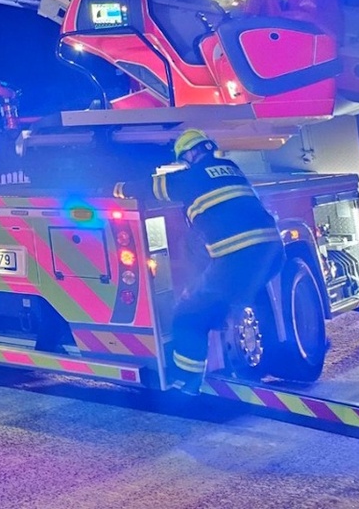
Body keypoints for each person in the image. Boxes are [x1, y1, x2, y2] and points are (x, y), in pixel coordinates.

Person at [112, 129, 285, 395]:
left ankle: (186, 386)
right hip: (272, 253)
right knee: (218, 304)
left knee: (188, 318)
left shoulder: (189, 178)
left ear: (192, 153)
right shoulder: (231, 168)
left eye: (184, 158)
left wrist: (117, 188)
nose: (185, 163)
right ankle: (234, 339)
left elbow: (150, 188)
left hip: (238, 259)